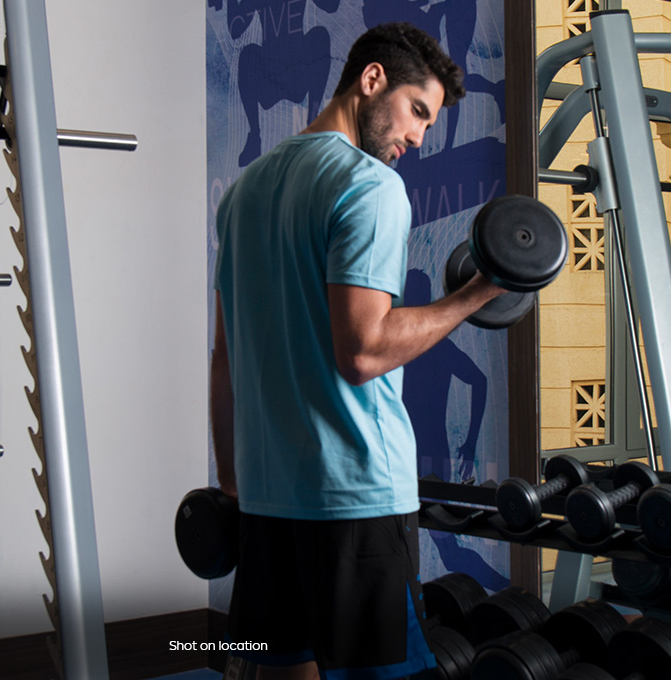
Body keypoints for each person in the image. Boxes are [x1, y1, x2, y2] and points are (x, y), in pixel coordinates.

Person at [210, 22, 506, 680]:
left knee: (285, 670)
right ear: (371, 81)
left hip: (268, 496)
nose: (419, 137)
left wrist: (236, 480)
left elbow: (225, 358)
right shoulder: (370, 187)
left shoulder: (244, 193)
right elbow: (365, 351)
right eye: (417, 111)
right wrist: (477, 294)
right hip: (353, 498)